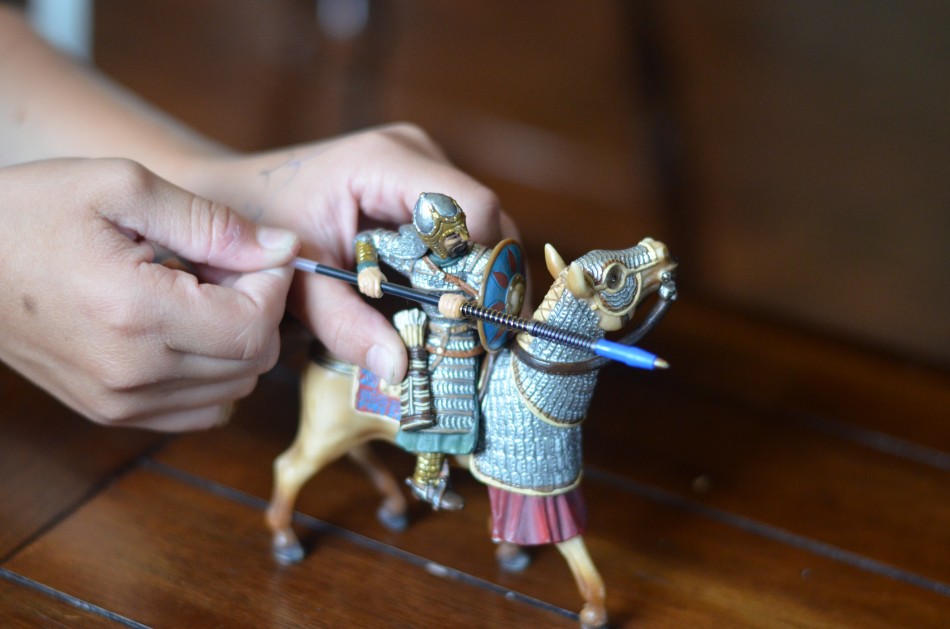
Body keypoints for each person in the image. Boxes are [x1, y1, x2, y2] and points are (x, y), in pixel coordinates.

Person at [0, 6, 517, 431]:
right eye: (445, 232)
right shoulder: (408, 244)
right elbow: (376, 249)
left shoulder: (449, 250)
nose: (454, 238)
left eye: (455, 230)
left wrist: (219, 183)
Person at [355, 193, 493, 510]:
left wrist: (471, 307)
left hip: (480, 335)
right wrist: (367, 267)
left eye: (460, 227)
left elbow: (504, 298)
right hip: (440, 343)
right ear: (429, 238)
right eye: (450, 235)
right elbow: (366, 239)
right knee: (443, 400)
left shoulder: (482, 260)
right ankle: (426, 478)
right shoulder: (411, 252)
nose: (461, 238)